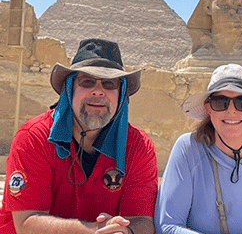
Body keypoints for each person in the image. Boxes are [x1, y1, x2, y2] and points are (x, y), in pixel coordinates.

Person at [0, 38, 158, 234]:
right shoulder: (33, 137)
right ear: (70, 88)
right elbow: (27, 224)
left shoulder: (138, 146)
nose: (98, 91)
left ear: (122, 93)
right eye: (87, 81)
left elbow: (142, 220)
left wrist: (126, 232)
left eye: (109, 84)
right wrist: (97, 230)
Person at [155, 63, 242, 234]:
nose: (231, 111)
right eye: (220, 102)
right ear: (208, 108)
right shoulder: (188, 149)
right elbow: (166, 227)